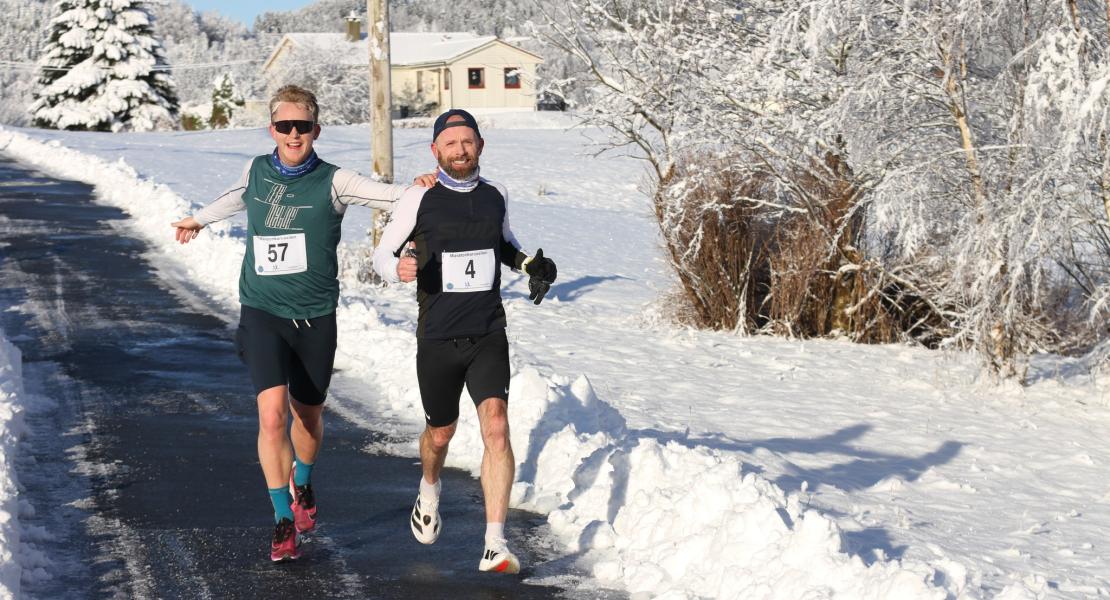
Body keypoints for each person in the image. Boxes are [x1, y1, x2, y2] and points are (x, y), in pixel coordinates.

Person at [170, 85, 435, 562]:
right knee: (271, 415)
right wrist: (199, 219)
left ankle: (305, 483)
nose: (293, 134)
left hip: (315, 316)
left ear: (317, 129)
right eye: (284, 126)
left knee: (307, 414)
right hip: (262, 310)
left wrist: (419, 189)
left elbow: (394, 198)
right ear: (271, 129)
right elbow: (236, 197)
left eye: (302, 126)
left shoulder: (335, 181)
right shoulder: (255, 170)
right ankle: (281, 519)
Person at [372, 109, 558, 574]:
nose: (460, 150)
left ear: (480, 145)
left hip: (488, 331)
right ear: (435, 150)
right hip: (437, 335)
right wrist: (396, 269)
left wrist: (531, 265)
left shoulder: (497, 195)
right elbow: (381, 253)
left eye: (467, 141)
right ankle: (429, 489)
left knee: (496, 426)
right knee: (441, 433)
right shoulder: (419, 197)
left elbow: (504, 245)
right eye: (450, 143)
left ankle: (495, 542)